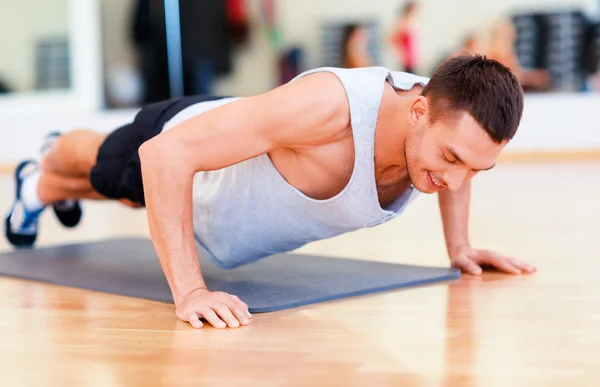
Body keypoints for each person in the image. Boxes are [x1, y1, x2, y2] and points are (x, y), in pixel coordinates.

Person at [4, 54, 537, 330]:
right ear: (418, 112)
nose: (456, 180)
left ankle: (47, 187)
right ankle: (48, 167)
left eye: (476, 170)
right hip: (175, 142)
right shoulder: (330, 108)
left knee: (127, 195)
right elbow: (164, 158)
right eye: (450, 159)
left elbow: (459, 164)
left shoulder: (442, 124)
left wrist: (460, 247)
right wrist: (190, 293)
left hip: (212, 209)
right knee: (105, 166)